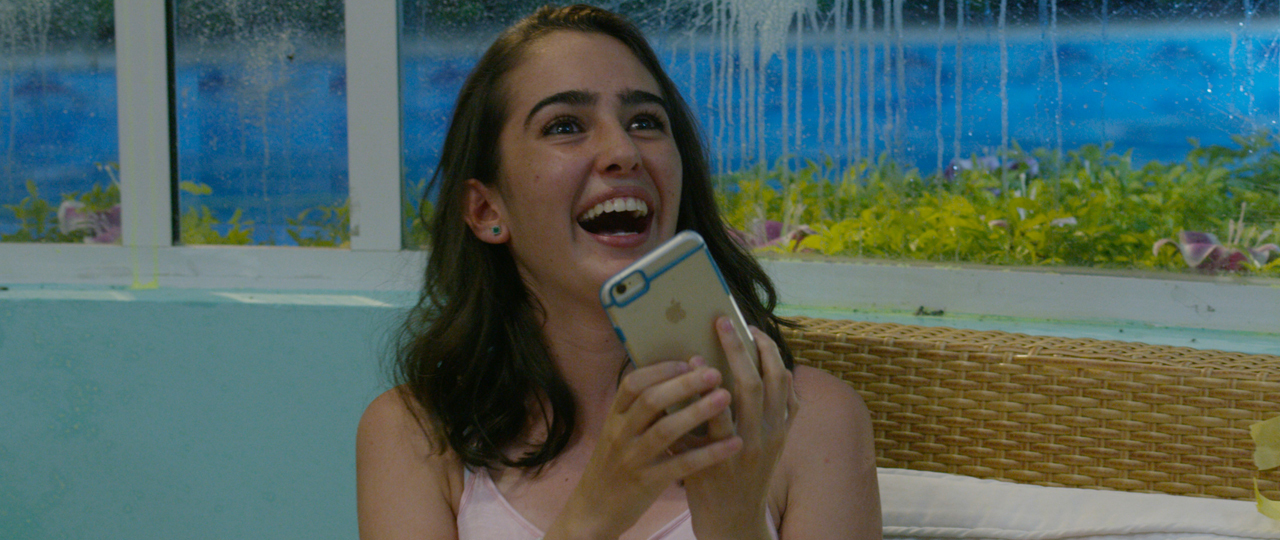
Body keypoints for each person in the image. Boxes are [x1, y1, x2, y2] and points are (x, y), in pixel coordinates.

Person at [356, 5, 881, 539]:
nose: (623, 151)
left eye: (645, 122)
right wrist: (598, 510)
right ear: (486, 210)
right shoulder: (414, 434)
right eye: (565, 126)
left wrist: (733, 516)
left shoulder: (814, 420)